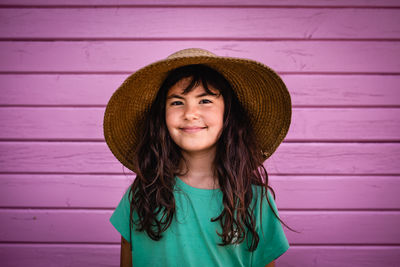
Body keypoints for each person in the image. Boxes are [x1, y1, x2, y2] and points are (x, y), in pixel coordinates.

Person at [103, 48, 293, 267]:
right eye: (176, 102)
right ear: (161, 117)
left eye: (204, 101)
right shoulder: (142, 194)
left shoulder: (256, 200)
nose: (190, 113)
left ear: (227, 114)